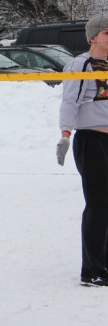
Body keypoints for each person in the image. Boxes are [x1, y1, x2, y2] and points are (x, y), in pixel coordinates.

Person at [57, 15, 108, 287]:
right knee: (98, 204)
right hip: (91, 140)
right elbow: (69, 102)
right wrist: (65, 134)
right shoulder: (81, 64)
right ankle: (92, 270)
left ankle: (105, 262)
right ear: (94, 36)